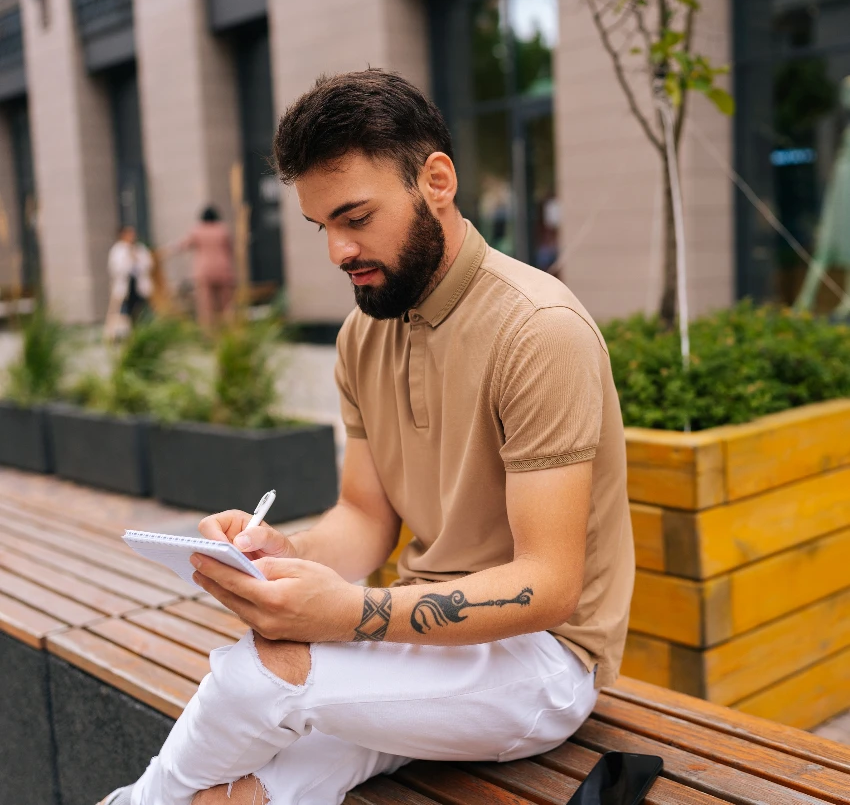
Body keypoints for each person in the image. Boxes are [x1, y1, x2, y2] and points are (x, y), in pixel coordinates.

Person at [99, 70, 634, 805]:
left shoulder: (538, 330)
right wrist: (283, 556)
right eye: (323, 227)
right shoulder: (363, 332)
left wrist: (348, 613)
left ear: (436, 180)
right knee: (244, 794)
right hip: (418, 641)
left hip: (541, 662)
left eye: (356, 217)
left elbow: (550, 585)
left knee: (260, 673)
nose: (338, 252)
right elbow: (365, 517)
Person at [166, 206, 236, 330]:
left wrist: (170, 249)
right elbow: (230, 249)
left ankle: (208, 332)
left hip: (204, 272)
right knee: (226, 304)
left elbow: (183, 245)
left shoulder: (197, 231)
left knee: (206, 306)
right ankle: (228, 330)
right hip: (223, 270)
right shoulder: (223, 230)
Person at [104, 225, 153, 340]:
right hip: (125, 285)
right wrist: (129, 259)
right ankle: (123, 335)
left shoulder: (139, 248)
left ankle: (140, 332)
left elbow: (148, 265)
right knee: (123, 312)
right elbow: (115, 268)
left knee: (140, 310)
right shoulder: (118, 250)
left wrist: (136, 259)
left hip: (138, 284)